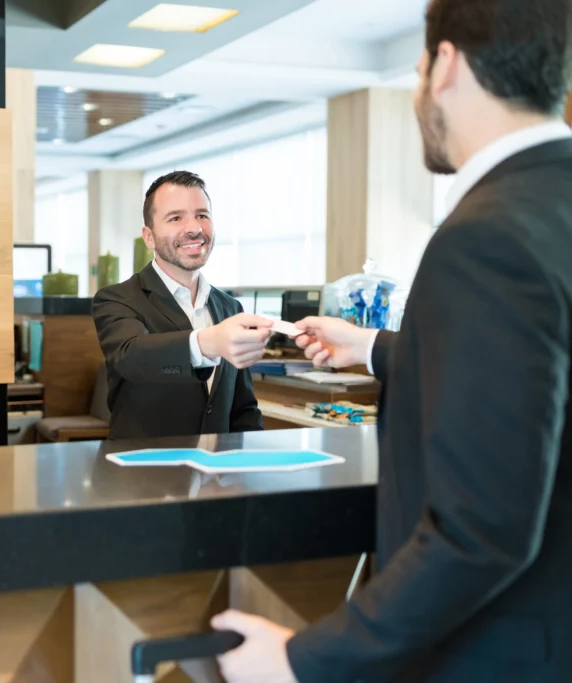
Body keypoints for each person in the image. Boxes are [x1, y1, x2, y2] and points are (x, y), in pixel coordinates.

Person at [210, 0, 572, 680]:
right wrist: (373, 346)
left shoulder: (485, 237)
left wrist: (302, 658)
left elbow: (480, 532)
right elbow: (536, 376)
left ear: (445, 66)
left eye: (414, 73)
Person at [92, 171, 272, 439]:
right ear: (149, 236)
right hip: (143, 474)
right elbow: (132, 357)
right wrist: (208, 342)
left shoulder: (230, 308)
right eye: (176, 218)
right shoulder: (117, 299)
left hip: (217, 474)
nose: (194, 228)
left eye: (202, 215)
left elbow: (243, 409)